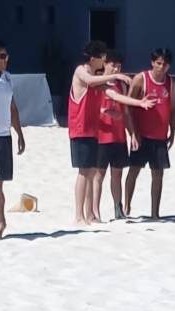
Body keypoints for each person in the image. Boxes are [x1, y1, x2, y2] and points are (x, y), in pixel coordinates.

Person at [69, 40, 131, 224]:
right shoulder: (81, 70)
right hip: (79, 130)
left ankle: (90, 215)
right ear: (95, 58)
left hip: (92, 131)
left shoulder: (96, 77)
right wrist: (117, 77)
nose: (104, 61)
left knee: (89, 173)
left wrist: (139, 103)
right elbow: (89, 80)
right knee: (83, 173)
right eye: (103, 57)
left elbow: (114, 95)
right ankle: (79, 216)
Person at [94, 50, 156, 221]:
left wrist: (133, 134)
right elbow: (95, 107)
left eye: (118, 66)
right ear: (104, 64)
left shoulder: (121, 85)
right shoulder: (98, 84)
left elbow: (126, 112)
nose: (115, 69)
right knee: (99, 175)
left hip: (119, 136)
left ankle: (117, 208)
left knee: (117, 174)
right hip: (101, 136)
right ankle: (95, 211)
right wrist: (105, 111)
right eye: (112, 65)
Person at [124, 48, 175, 219]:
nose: (161, 67)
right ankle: (126, 206)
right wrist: (132, 132)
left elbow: (172, 109)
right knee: (134, 170)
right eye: (158, 63)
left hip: (160, 136)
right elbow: (128, 106)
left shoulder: (171, 83)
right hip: (142, 134)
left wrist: (173, 131)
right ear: (152, 62)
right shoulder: (141, 79)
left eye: (165, 64)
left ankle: (155, 212)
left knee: (158, 174)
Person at [0, 40, 25, 239]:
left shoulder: (7, 78)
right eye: (2, 56)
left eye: (7, 56)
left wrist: (19, 133)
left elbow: (12, 108)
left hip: (3, 136)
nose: (6, 60)